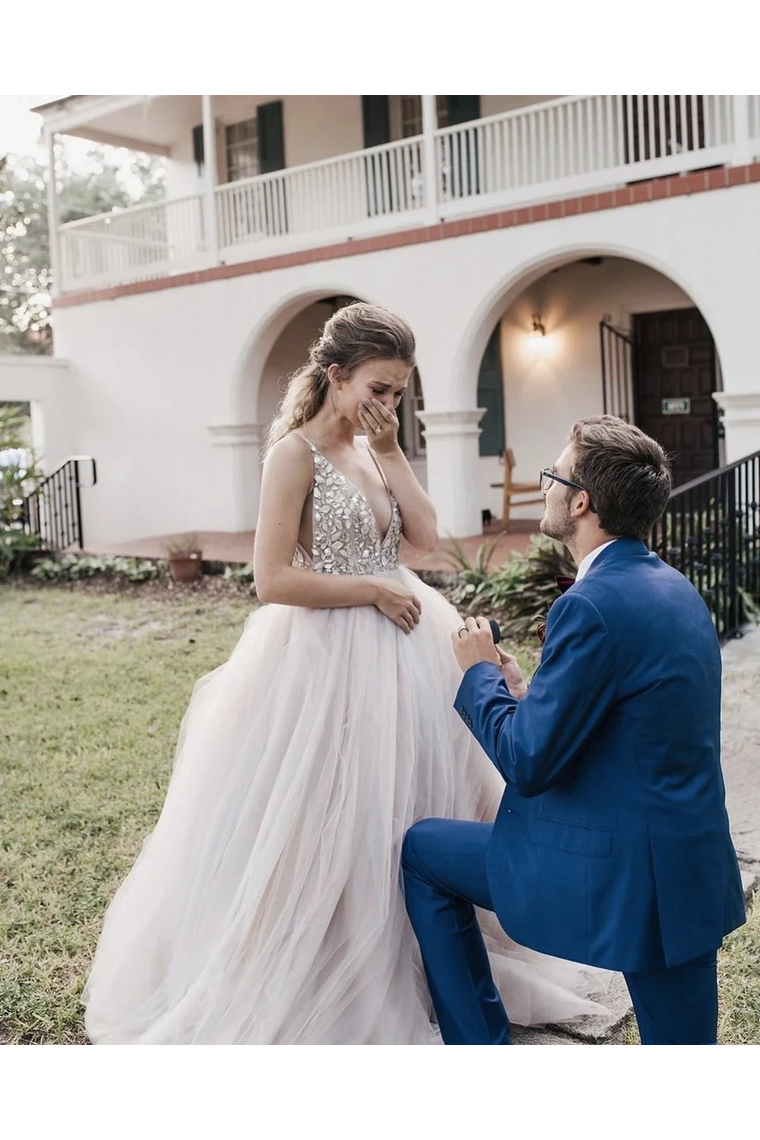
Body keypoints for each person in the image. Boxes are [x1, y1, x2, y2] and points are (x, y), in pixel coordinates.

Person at [82, 304, 614, 1044]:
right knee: (332, 806)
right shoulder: (292, 455)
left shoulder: (375, 448)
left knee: (411, 793)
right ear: (336, 377)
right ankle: (333, 954)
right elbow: (270, 579)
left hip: (406, 642)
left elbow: (428, 538)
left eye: (399, 392)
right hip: (324, 654)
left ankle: (424, 949)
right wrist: (368, 588)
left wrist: (393, 452)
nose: (388, 404)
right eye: (378, 388)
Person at [401, 414, 747, 1045]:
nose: (547, 488)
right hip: (688, 862)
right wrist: (525, 689)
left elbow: (528, 761)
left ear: (581, 501)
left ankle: (480, 1047)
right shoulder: (675, 589)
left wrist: (479, 675)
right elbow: (633, 719)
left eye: (552, 475)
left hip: (619, 870)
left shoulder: (587, 604)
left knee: (422, 850)